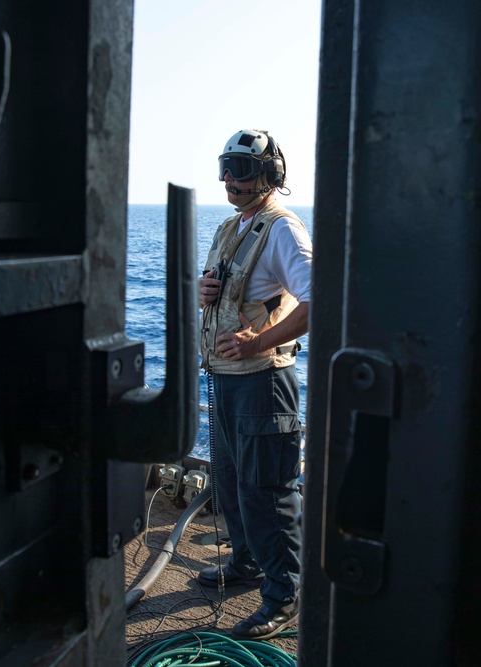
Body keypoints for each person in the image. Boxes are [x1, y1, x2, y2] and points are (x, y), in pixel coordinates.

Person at [197, 129, 312, 640]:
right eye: (226, 167)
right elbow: (225, 292)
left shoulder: (283, 230)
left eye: (241, 171)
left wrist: (259, 343)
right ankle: (247, 565)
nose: (229, 179)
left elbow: (318, 298)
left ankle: (283, 598)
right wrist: (203, 290)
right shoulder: (232, 227)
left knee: (267, 491)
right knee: (230, 482)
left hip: (264, 383)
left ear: (270, 178)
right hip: (226, 381)